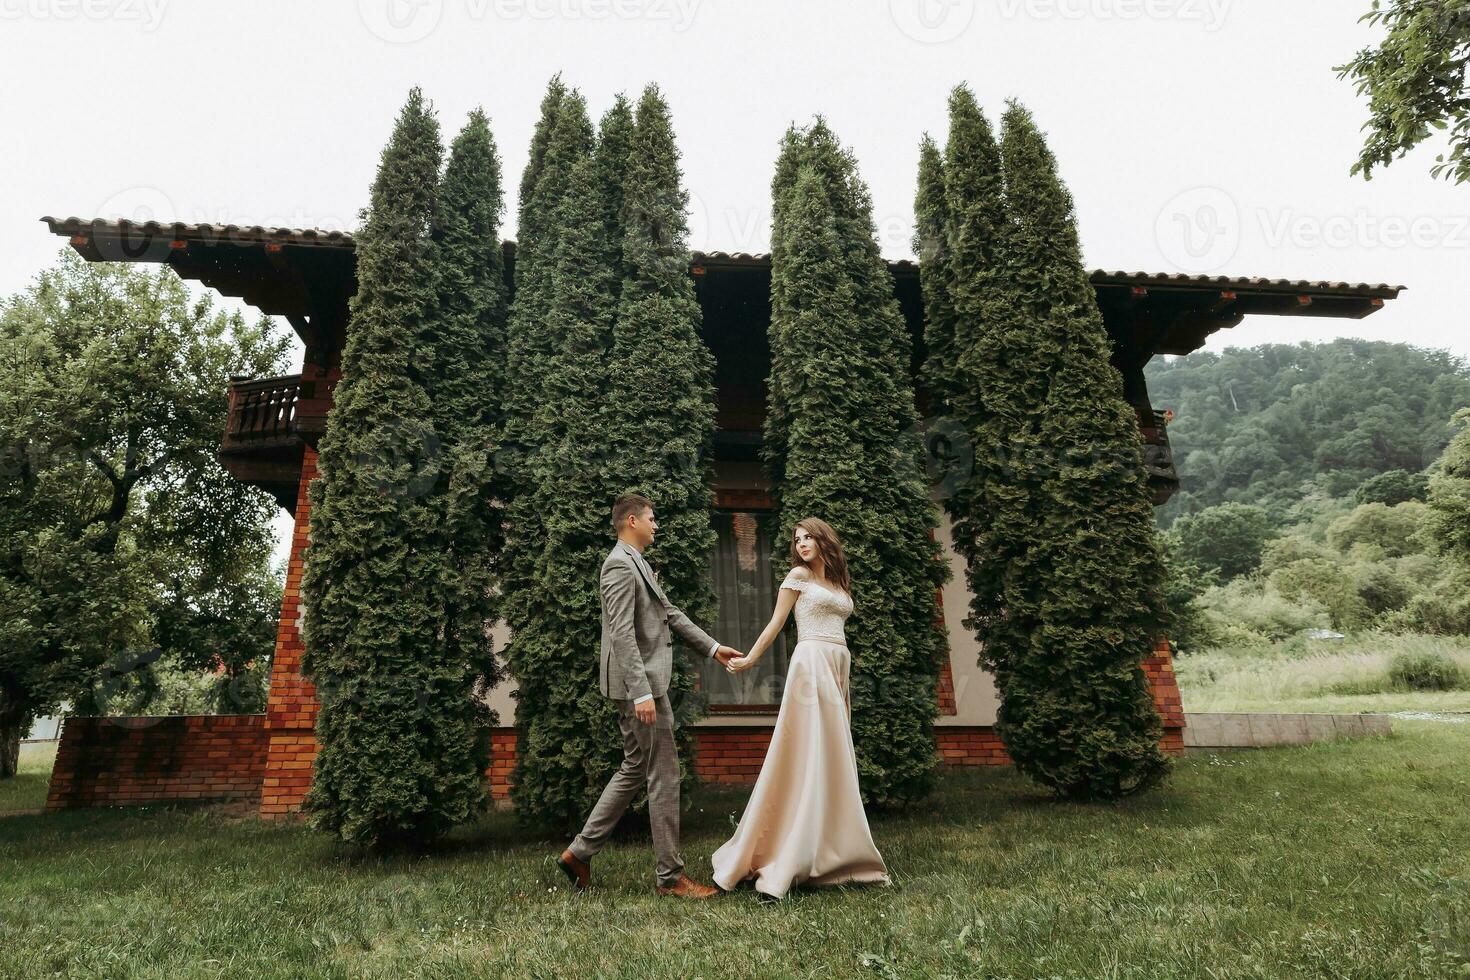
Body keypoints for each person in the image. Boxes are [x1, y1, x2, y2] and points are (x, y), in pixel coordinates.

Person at [556, 493, 742, 899]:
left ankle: (579, 852)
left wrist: (712, 648)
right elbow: (621, 632)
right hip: (640, 689)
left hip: (642, 687)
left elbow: (669, 613)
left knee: (636, 767)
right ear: (631, 522)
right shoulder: (618, 566)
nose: (656, 525)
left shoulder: (635, 562)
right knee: (664, 773)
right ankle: (670, 877)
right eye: (652, 518)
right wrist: (641, 692)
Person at [710, 517, 890, 899]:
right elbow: (775, 624)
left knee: (833, 753)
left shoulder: (839, 582)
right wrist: (749, 661)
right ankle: (790, 850)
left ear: (824, 540)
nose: (803, 544)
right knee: (809, 750)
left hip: (838, 663)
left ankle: (831, 847)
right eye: (798, 539)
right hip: (810, 664)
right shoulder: (798, 576)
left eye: (809, 537)